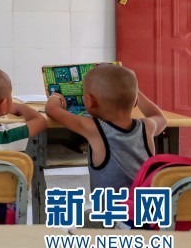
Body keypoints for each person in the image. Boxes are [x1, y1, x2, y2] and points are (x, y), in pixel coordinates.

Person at [45, 63, 166, 191]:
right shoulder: (147, 127)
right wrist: (134, 91)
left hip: (110, 211)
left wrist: (56, 96)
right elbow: (159, 117)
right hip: (145, 209)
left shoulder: (95, 130)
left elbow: (52, 110)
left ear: (90, 101)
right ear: (135, 100)